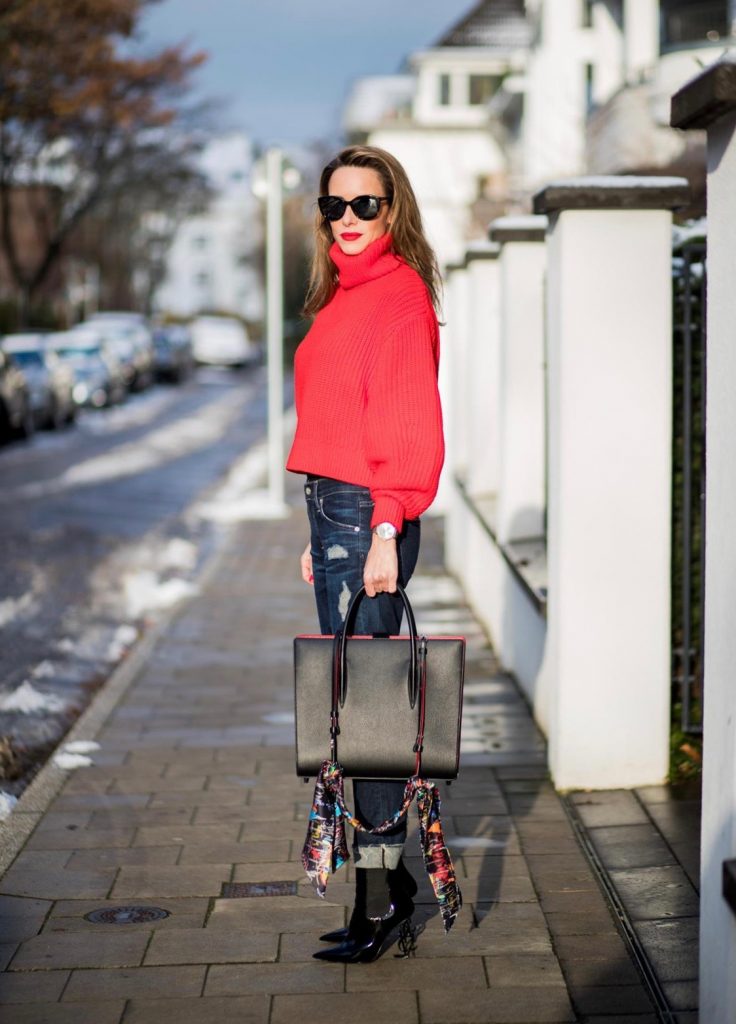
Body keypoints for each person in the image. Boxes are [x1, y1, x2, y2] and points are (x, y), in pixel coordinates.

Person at [286, 144, 444, 963]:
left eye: (366, 205)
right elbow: (341, 416)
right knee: (354, 716)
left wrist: (381, 530)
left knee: (372, 719)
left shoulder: (400, 297)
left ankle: (382, 905)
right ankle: (382, 891)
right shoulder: (342, 295)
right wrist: (324, 539)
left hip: (367, 517)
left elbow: (408, 425)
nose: (348, 220)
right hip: (338, 516)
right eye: (335, 206)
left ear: (394, 210)